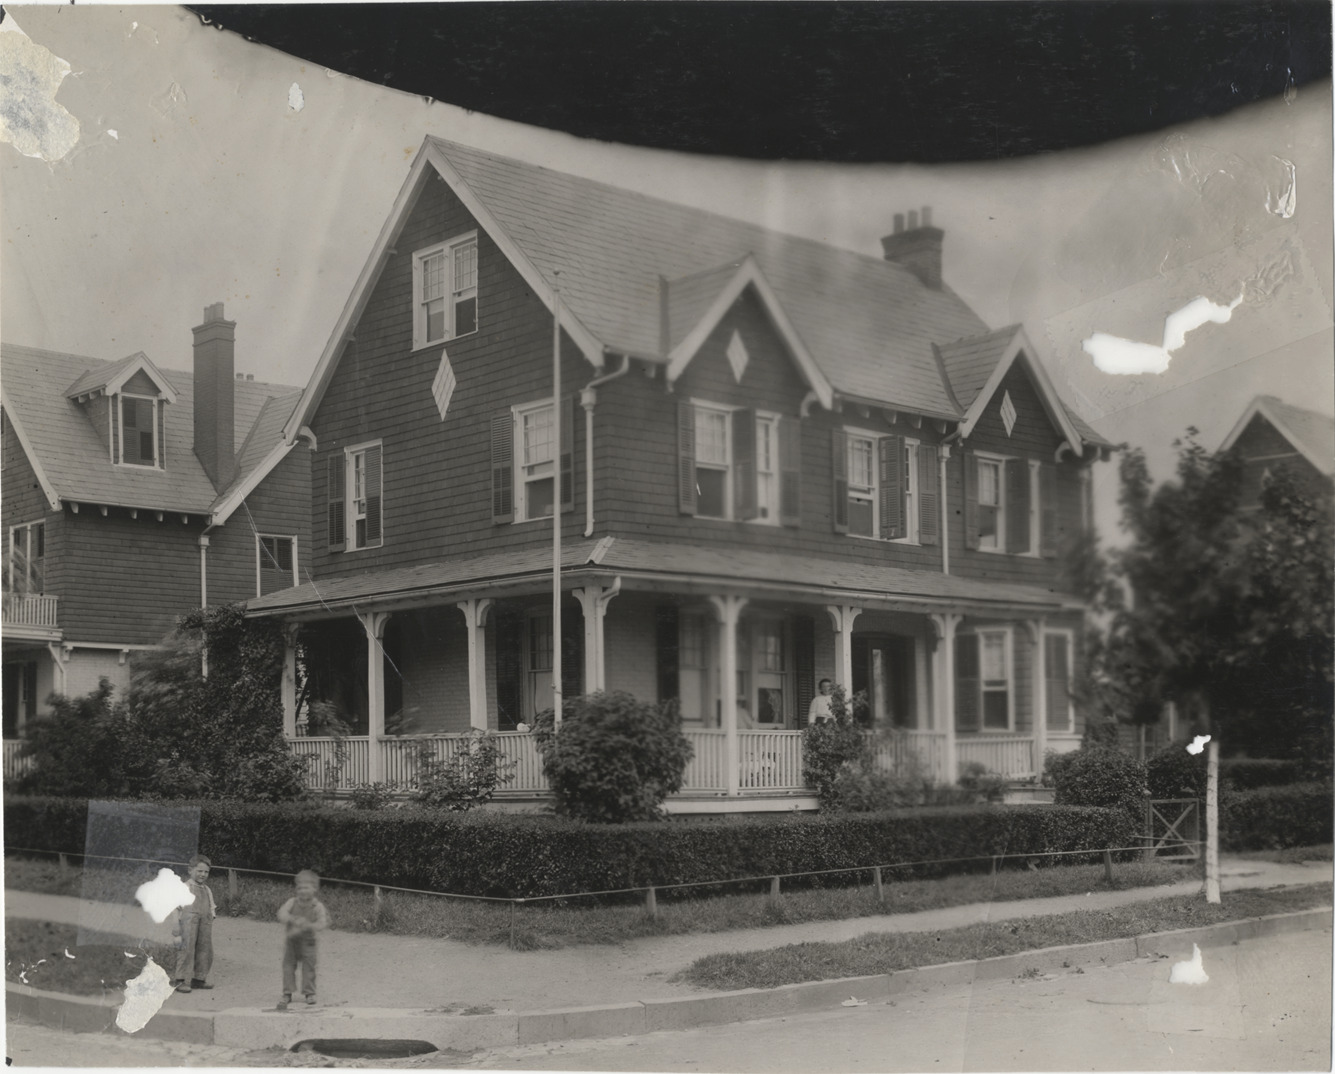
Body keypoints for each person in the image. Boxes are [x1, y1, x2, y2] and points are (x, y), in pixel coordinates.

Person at [276, 869, 330, 1008]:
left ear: (314, 889)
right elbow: (281, 914)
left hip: (309, 943)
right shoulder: (292, 902)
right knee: (288, 967)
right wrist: (292, 919)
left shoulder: (317, 906)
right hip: (292, 942)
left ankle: (309, 993)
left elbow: (322, 923)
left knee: (309, 968)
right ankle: (287, 992)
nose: (302, 891)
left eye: (306, 887)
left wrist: (309, 925)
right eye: (299, 888)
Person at [172, 855, 217, 993]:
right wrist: (176, 925)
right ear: (190, 870)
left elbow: (211, 906)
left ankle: (199, 978)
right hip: (188, 923)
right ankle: (180, 980)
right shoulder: (185, 887)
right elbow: (175, 908)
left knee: (205, 950)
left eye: (206, 872)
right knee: (187, 950)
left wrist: (211, 915)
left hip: (205, 923)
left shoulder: (207, 890)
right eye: (199, 871)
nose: (203, 874)